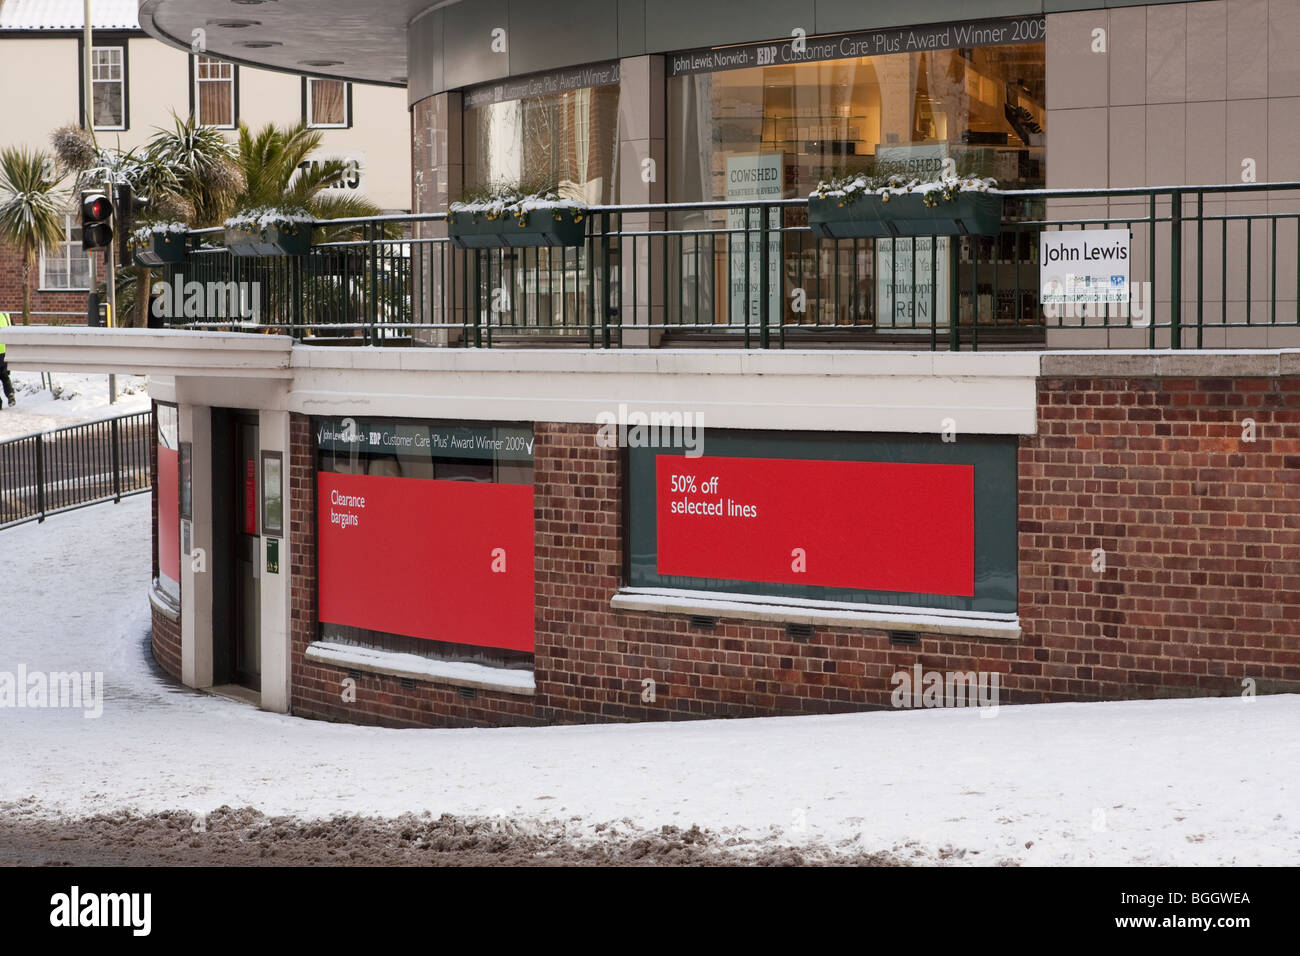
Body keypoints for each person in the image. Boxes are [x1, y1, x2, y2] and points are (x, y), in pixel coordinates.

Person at [0, 310, 15, 408]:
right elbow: (14, 331)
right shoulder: (6, 315)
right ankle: (10, 393)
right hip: (5, 352)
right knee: (4, 375)